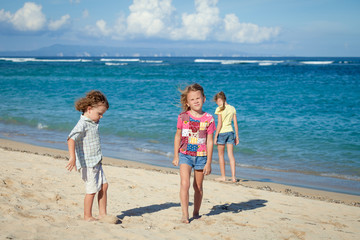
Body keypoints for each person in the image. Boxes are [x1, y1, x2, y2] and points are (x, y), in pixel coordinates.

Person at [172, 83, 215, 223]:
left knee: (198, 187)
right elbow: (177, 136)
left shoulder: (209, 119)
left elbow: (209, 141)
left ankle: (196, 212)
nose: (196, 101)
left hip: (201, 157)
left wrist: (209, 162)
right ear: (187, 102)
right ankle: (185, 214)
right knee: (185, 184)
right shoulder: (183, 116)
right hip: (184, 154)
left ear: (204, 98)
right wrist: (176, 155)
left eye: (198, 98)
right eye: (192, 99)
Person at [66, 90, 110, 221]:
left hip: (96, 161)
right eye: (99, 114)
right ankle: (87, 216)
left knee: (104, 186)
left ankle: (102, 214)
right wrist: (72, 157)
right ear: (89, 109)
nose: (101, 117)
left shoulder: (93, 121)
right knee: (91, 190)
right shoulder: (83, 123)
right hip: (87, 163)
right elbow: (71, 138)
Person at [213, 91, 239, 183]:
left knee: (221, 155)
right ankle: (233, 177)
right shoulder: (232, 108)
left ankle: (223, 176)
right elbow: (235, 124)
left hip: (222, 133)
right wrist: (237, 136)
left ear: (220, 100)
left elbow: (219, 124)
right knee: (231, 155)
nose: (216, 103)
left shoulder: (219, 109)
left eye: (216, 101)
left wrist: (215, 136)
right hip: (231, 133)